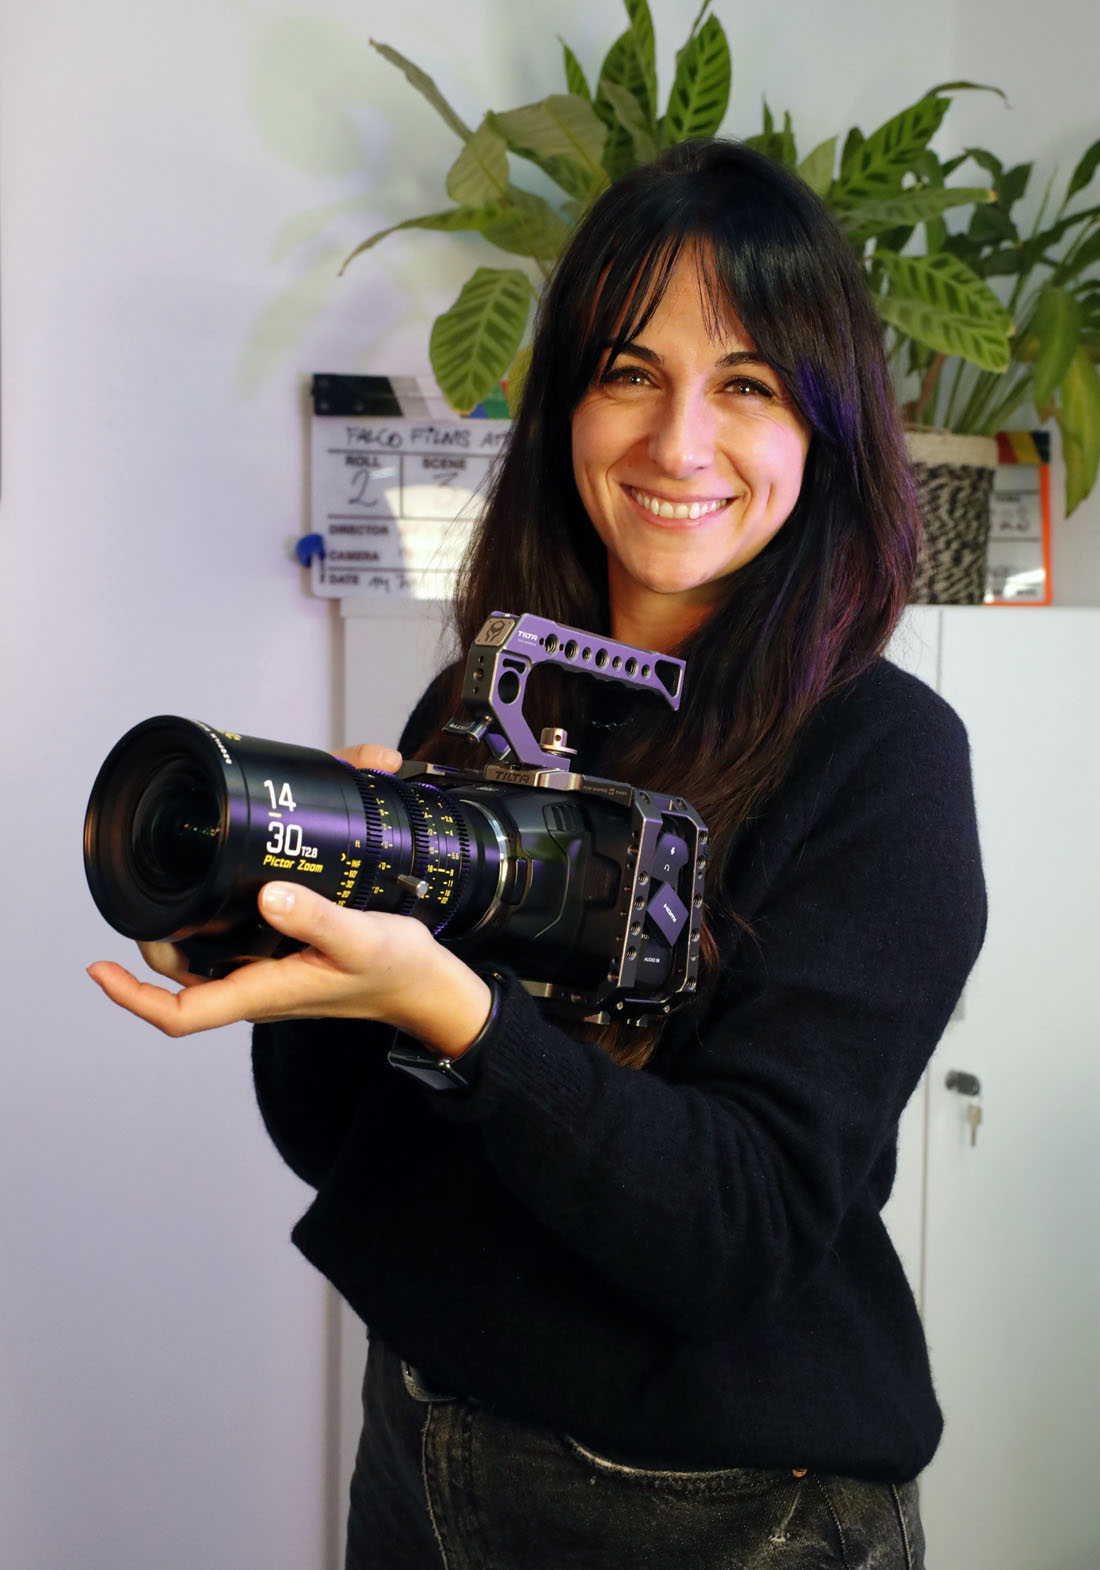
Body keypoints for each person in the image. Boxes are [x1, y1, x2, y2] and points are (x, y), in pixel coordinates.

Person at [89, 139, 986, 1568]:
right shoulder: (492, 703)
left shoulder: (885, 760)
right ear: (568, 400)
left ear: (825, 428)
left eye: (746, 385)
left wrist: (455, 1008)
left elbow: (738, 1228)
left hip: (720, 1505)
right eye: (630, 371)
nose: (677, 443)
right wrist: (277, 932)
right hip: (426, 1444)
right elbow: (351, 1143)